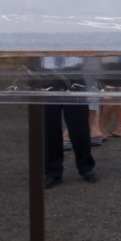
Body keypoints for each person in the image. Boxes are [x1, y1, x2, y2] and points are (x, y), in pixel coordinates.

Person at [41, 56, 97, 188]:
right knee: (50, 126)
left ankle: (86, 166)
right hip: (47, 75)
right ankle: (52, 171)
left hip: (74, 72)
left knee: (79, 125)